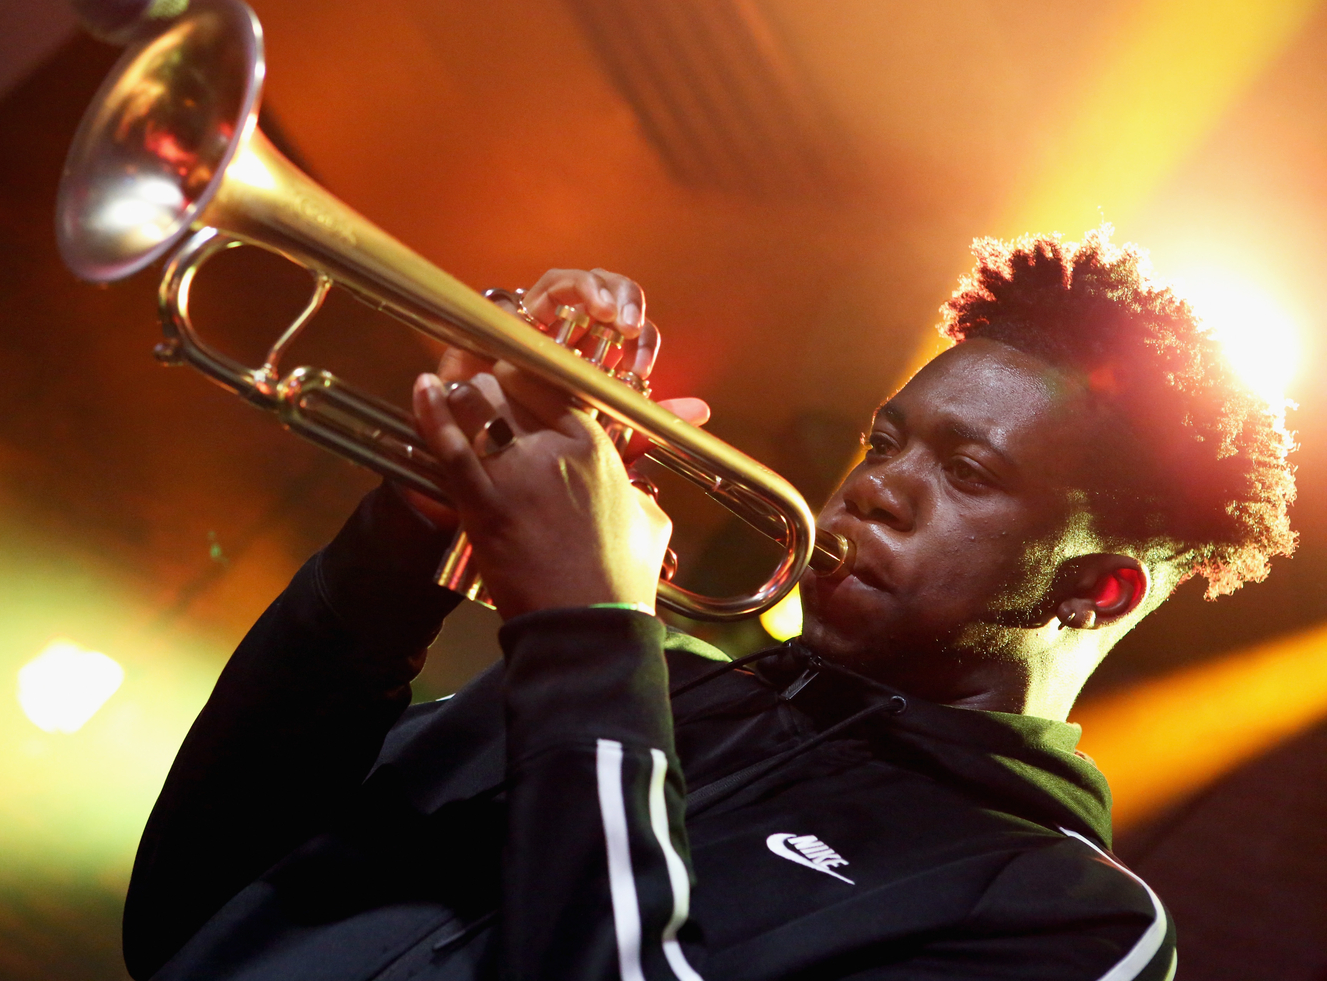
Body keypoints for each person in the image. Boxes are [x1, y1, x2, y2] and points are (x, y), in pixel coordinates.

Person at [121, 228, 1295, 981]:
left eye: (967, 471)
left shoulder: (1067, 917)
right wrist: (410, 528)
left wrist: (585, 635)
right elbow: (192, 902)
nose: (879, 481)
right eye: (887, 438)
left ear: (1098, 589)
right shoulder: (659, 694)